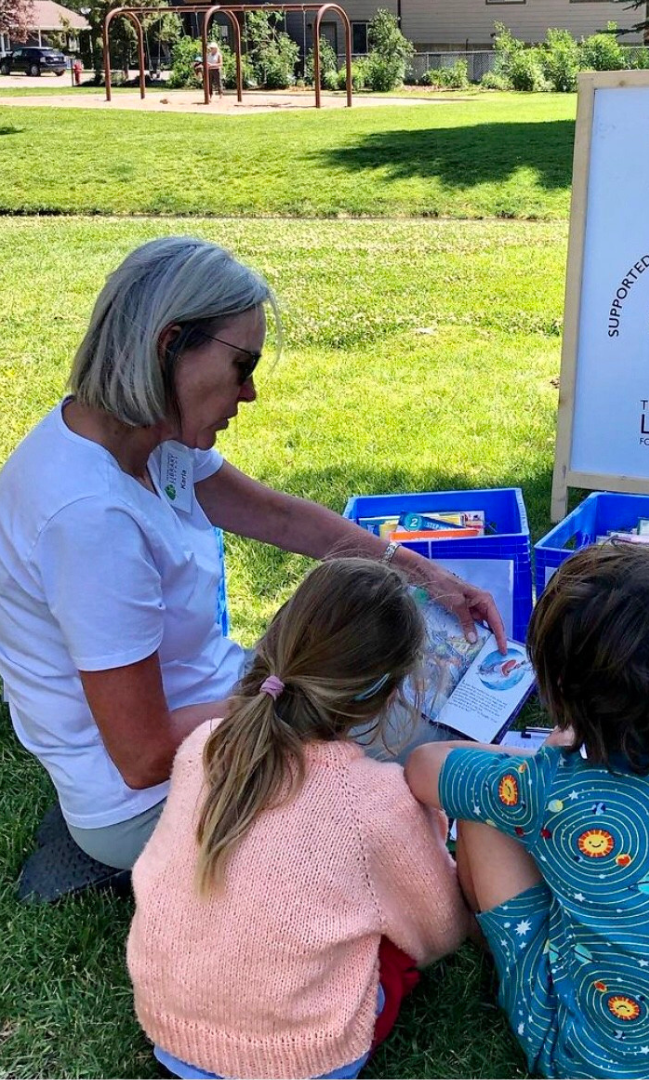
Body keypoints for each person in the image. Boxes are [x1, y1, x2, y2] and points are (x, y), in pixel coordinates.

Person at [0, 236, 505, 871]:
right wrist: (306, 692)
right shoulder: (87, 517)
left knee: (419, 712)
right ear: (170, 345)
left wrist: (428, 577)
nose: (250, 394)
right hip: (150, 800)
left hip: (230, 709)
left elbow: (278, 515)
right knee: (424, 762)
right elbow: (142, 755)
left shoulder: (149, 437)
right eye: (243, 367)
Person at [405, 544, 649, 1080]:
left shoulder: (549, 788)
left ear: (561, 691)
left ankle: (490, 943)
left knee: (480, 808)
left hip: (585, 1058)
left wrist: (540, 756)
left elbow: (424, 766)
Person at [127, 557, 471, 1079]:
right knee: (392, 957)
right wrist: (439, 830)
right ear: (385, 694)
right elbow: (440, 930)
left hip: (172, 1033)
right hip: (304, 1057)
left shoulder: (205, 746)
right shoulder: (375, 799)